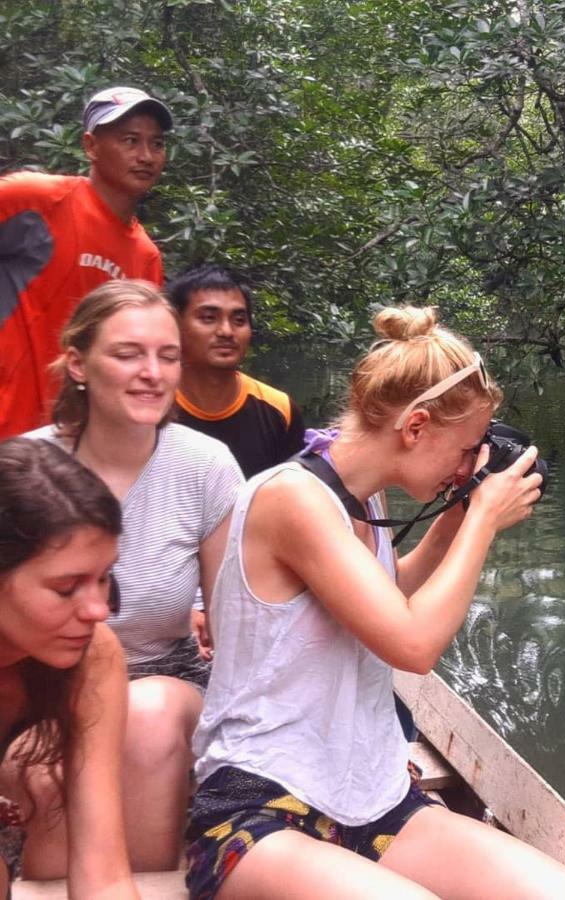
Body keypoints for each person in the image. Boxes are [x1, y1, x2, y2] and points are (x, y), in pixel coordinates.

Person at [185, 306, 565, 899]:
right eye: (466, 449)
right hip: (260, 805)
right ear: (416, 426)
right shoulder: (293, 499)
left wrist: (456, 516)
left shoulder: (361, 497)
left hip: (370, 798)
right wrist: (481, 520)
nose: (468, 465)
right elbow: (412, 646)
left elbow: (385, 597)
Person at [22, 280, 243, 875]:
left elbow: (233, 633)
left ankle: (147, 879)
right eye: (128, 354)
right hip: (42, 684)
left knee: (142, 720)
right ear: (78, 364)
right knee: (44, 766)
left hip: (165, 677)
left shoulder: (205, 465)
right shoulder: (25, 468)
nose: (152, 373)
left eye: (167, 356)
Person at [0, 437, 139, 899]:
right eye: (66, 588)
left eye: (103, 577)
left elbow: (103, 874)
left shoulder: (93, 655)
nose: (99, 610)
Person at [0, 85, 172, 439]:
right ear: (91, 146)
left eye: (156, 144)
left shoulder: (146, 256)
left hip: (76, 446)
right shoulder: (36, 199)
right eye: (130, 141)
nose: (146, 155)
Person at [168, 264, 306, 477]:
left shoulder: (279, 410)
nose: (226, 331)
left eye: (239, 320)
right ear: (176, 324)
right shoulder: (154, 404)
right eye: (208, 318)